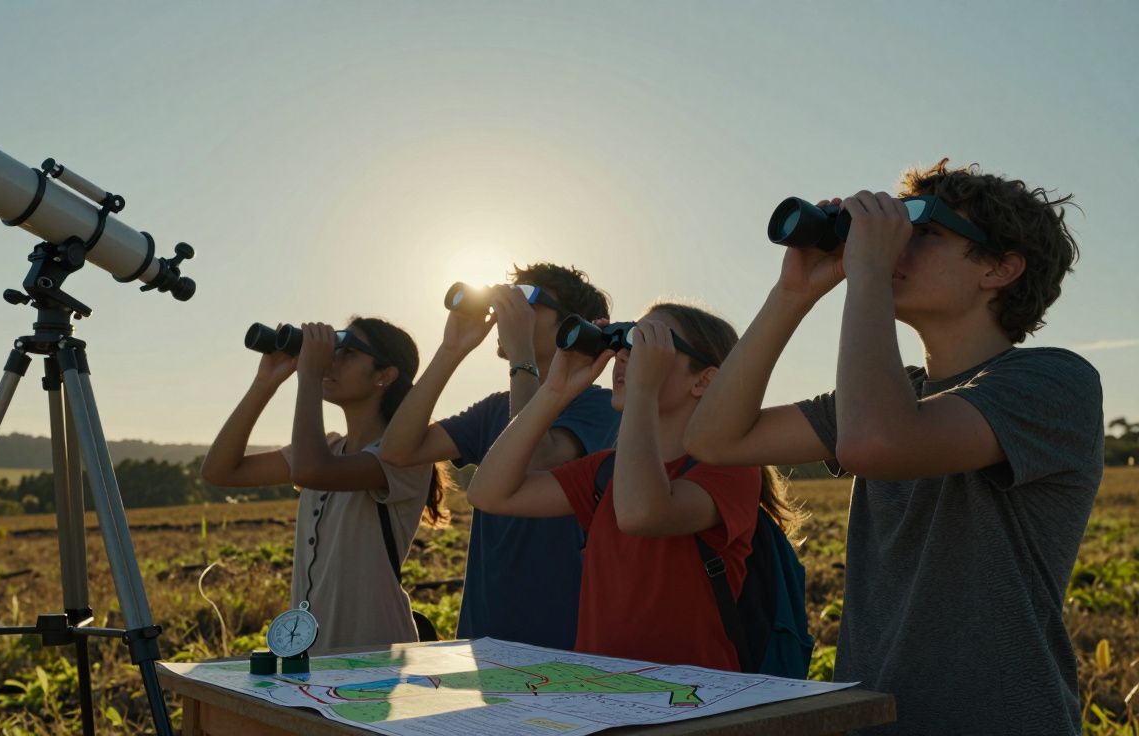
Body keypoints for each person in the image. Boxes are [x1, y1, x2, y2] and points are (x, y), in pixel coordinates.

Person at [684, 161, 1101, 734]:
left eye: (922, 229)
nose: (896, 244)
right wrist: (793, 294)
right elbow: (714, 438)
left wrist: (871, 276)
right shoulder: (888, 393)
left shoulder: (1054, 381)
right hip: (874, 715)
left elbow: (877, 442)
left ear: (1001, 268)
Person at [466, 302, 800, 668]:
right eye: (625, 343)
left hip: (692, 697)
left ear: (703, 380)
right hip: (601, 690)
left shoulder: (729, 470)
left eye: (648, 345)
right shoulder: (606, 471)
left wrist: (642, 390)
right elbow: (489, 493)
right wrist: (555, 392)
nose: (625, 356)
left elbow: (641, 512)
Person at [380, 263, 619, 650]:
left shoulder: (602, 407)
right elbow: (397, 450)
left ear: (571, 326)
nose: (509, 311)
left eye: (527, 301)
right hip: (485, 632)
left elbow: (531, 460)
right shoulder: (497, 409)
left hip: (566, 637)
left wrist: (521, 354)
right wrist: (451, 349)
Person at [202, 318, 450, 653]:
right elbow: (221, 472)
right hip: (311, 649)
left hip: (373, 648)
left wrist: (308, 377)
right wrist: (265, 383)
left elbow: (311, 470)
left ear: (384, 375)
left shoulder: (403, 456)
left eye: (347, 352)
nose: (331, 360)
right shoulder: (330, 448)